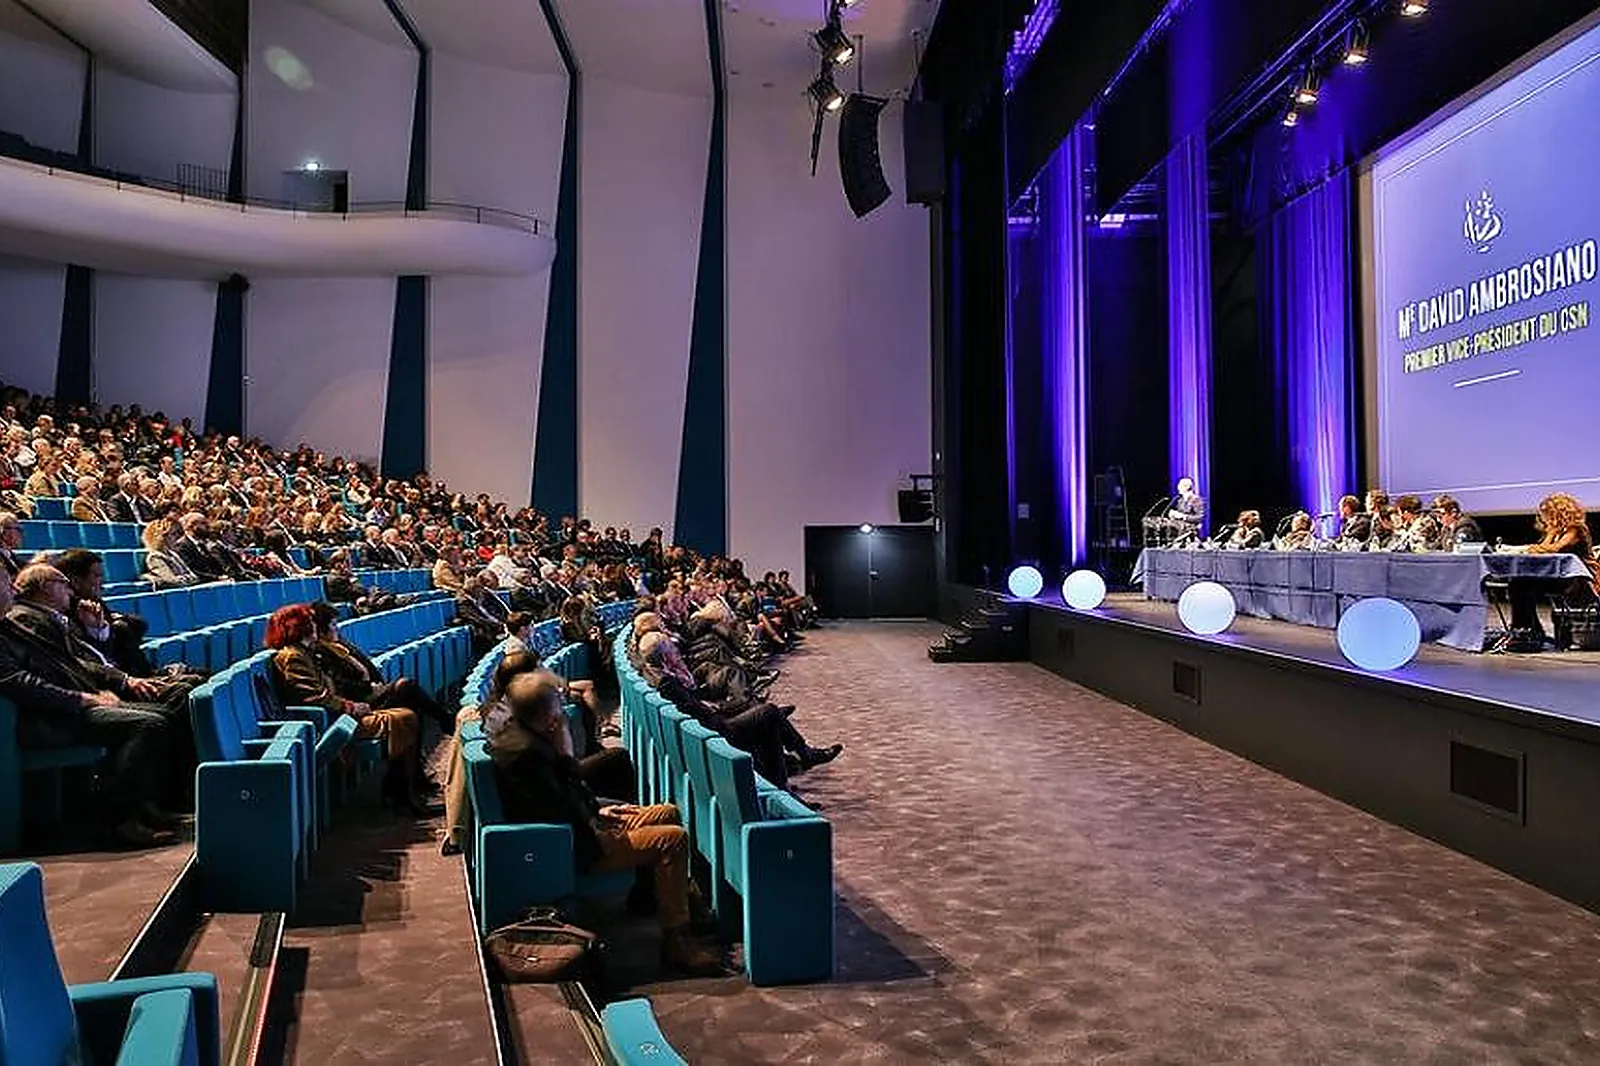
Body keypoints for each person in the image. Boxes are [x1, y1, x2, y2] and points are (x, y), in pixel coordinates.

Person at [488, 670, 723, 975]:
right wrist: (566, 749)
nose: (563, 711)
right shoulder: (529, 754)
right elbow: (561, 804)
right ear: (549, 718)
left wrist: (597, 810)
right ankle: (677, 943)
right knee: (673, 838)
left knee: (666, 812)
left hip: (582, 825)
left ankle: (654, 901)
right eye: (559, 707)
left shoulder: (521, 735)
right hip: (573, 845)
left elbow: (564, 800)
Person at [0, 564, 180, 846]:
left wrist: (100, 690)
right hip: (44, 718)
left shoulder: (9, 625)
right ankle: (117, 820)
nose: (12, 588)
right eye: (5, 581)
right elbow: (20, 683)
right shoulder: (20, 622)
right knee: (148, 724)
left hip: (63, 708)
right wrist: (84, 698)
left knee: (162, 715)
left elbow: (68, 664)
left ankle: (140, 806)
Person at [265, 604, 434, 815]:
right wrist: (351, 706)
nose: (315, 626)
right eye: (310, 622)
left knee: (406, 715)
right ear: (300, 627)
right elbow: (314, 697)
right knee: (404, 717)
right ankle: (404, 794)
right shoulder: (293, 657)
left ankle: (402, 790)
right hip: (331, 721)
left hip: (338, 714)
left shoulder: (305, 653)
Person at [306, 601, 452, 735]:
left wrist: (375, 687)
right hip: (359, 702)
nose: (337, 628)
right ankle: (445, 719)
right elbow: (340, 685)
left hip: (371, 693)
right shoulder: (321, 652)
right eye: (332, 624)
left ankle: (418, 752)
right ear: (321, 629)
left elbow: (366, 666)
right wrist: (369, 688)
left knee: (410, 702)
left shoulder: (339, 644)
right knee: (405, 686)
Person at [1501, 493, 1600, 650]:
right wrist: (1550, 533)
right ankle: (1527, 631)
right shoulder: (1557, 531)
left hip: (1581, 581)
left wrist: (1530, 548)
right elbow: (1542, 550)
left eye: (1546, 514)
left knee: (1522, 585)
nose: (1544, 519)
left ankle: (1528, 632)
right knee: (1519, 582)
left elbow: (1555, 549)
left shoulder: (1576, 529)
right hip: (1563, 578)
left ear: (1558, 512)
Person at [142, 518, 202, 589]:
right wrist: (187, 579)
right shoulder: (155, 557)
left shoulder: (173, 554)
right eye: (173, 534)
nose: (177, 537)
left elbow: (195, 577)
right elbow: (172, 580)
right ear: (161, 537)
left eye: (178, 533)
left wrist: (186, 578)